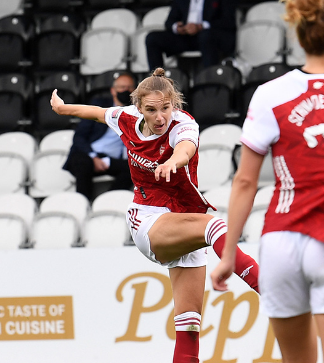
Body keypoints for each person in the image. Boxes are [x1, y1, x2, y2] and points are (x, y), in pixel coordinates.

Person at [210, 0, 324, 362]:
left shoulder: (268, 93)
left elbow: (245, 182)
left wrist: (229, 254)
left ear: (299, 37)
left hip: (279, 242)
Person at [50, 68, 259, 363]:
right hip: (148, 218)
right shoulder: (127, 119)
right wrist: (62, 108)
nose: (160, 117)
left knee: (188, 327)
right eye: (152, 110)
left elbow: (185, 149)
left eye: (166, 108)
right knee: (214, 226)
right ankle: (272, 292)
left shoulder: (183, 124)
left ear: (174, 104)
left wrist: (173, 160)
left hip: (184, 221)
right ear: (139, 109)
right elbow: (97, 113)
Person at [63, 73, 136, 201]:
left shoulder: (138, 112)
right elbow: (79, 137)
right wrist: (93, 157)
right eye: (122, 87)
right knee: (83, 163)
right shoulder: (99, 107)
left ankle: (107, 202)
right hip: (90, 154)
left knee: (134, 169)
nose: (126, 91)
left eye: (130, 88)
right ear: (113, 91)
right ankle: (84, 203)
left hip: (113, 159)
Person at [145, 0, 237, 71]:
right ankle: (157, 82)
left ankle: (210, 80)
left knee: (206, 36)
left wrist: (201, 26)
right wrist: (177, 27)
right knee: (152, 38)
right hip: (185, 38)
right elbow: (169, 22)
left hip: (210, 38)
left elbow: (228, 22)